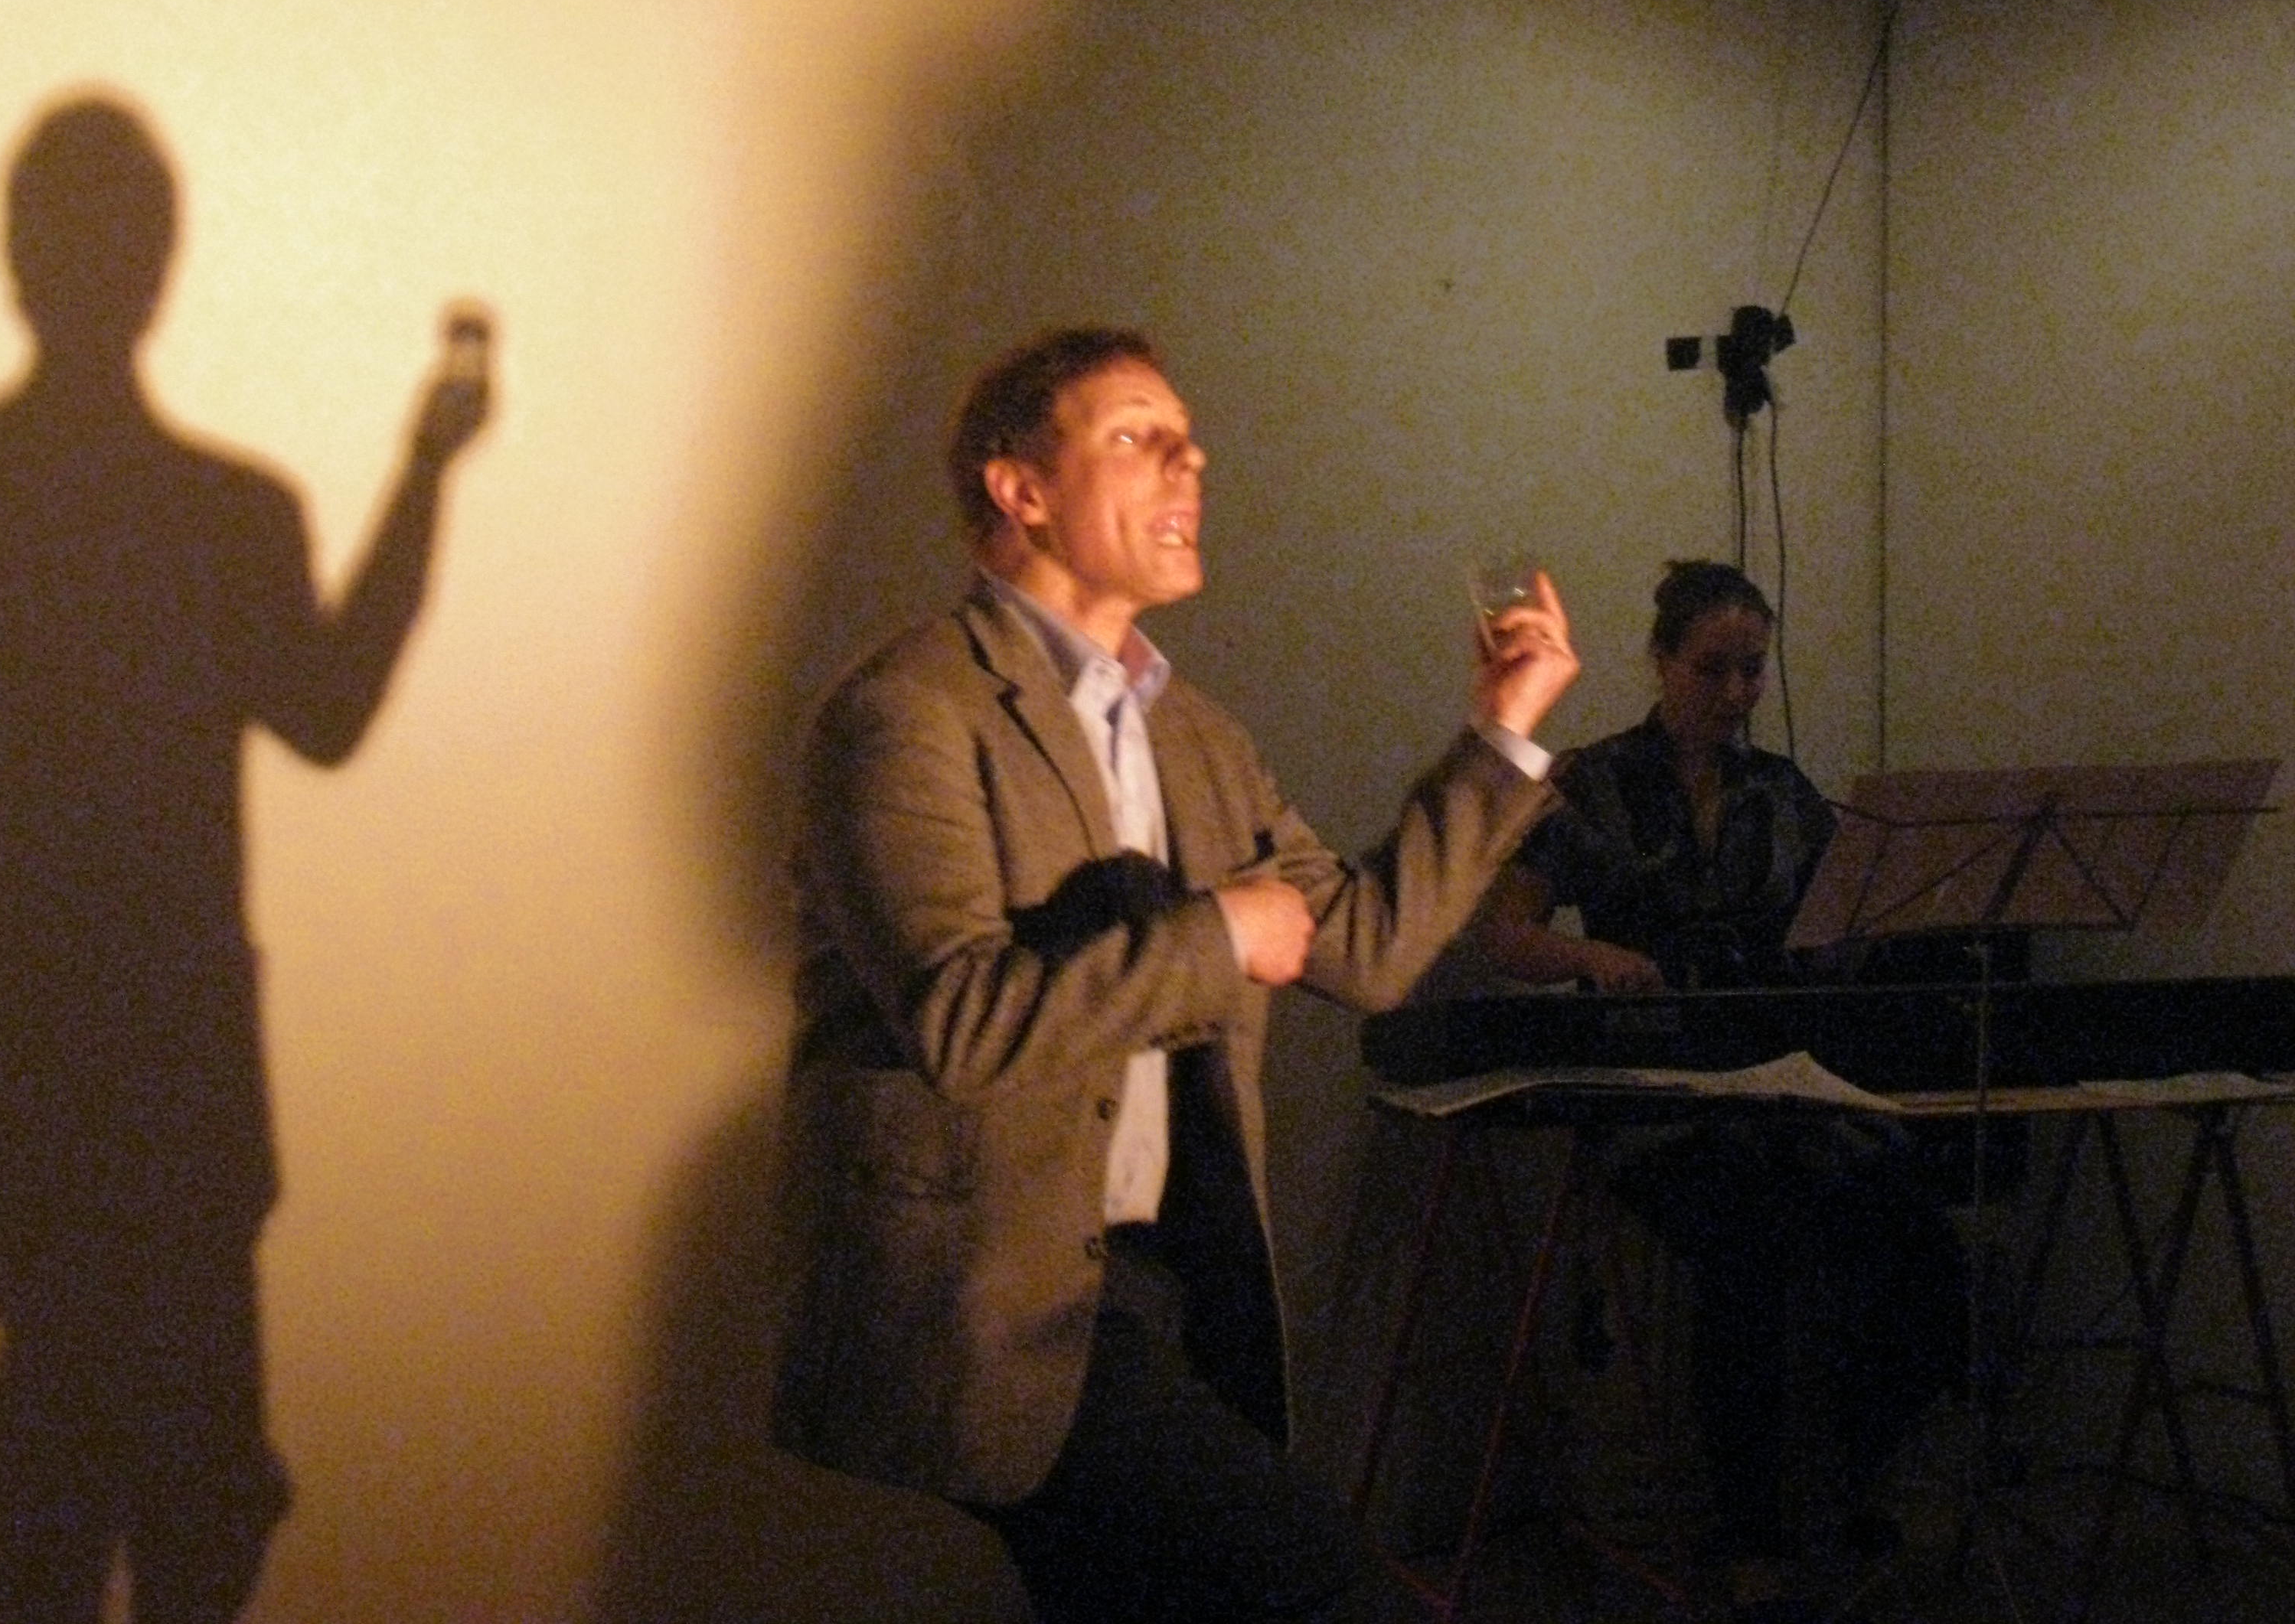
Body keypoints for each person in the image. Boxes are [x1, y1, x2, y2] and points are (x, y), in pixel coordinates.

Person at [770, 328, 1581, 1622]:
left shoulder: (1195, 736)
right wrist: (1218, 939)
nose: (1190, 465)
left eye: (1191, 443)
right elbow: (961, 1022)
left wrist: (1505, 732)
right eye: (1139, 438)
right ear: (1020, 489)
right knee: (1334, 1594)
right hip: (1006, 1305)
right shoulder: (905, 712)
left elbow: (1366, 948)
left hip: (1173, 1285)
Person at [0, 93, 491, 1624]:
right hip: (164, 1065)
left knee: (86, 1429)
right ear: (162, 263)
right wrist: (426, 473)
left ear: (14, 254)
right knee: (184, 1470)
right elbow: (329, 713)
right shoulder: (223, 516)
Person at [1472, 560, 1966, 1615]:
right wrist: (1592, 955)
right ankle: (1748, 1534)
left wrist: (1872, 933)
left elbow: (1834, 936)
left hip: (1777, 1077)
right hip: (1655, 1090)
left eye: (1754, 670)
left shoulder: (1782, 792)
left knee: (1912, 1226)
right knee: (1745, 1239)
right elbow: (1506, 935)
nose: (1738, 693)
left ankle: (1849, 1482)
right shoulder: (1593, 782)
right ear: (1662, 662)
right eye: (1714, 670)